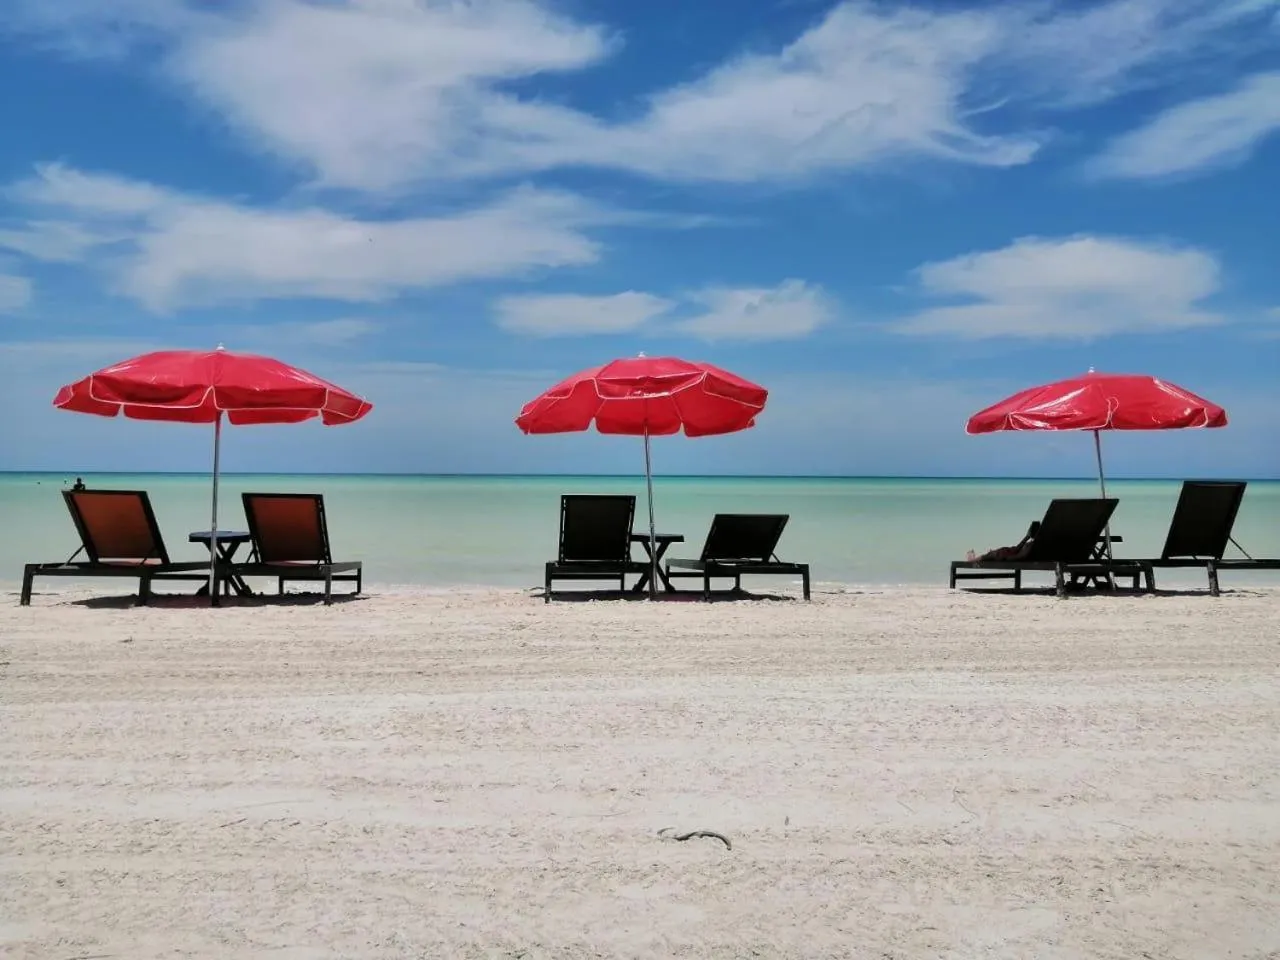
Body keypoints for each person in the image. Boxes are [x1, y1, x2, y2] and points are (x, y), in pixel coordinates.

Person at [967, 520, 1039, 562]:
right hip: (1010, 552)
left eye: (1029, 529)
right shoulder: (1035, 544)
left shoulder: (1030, 545)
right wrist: (1027, 537)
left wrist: (1006, 558)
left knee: (991, 554)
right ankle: (975, 558)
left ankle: (972, 559)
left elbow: (1021, 556)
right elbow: (1019, 551)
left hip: (1007, 554)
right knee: (991, 554)